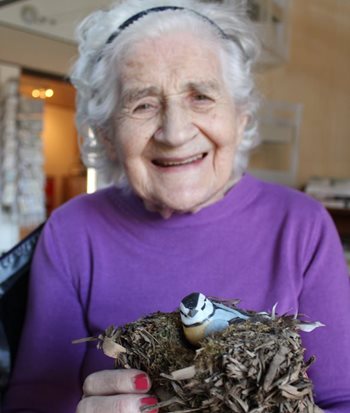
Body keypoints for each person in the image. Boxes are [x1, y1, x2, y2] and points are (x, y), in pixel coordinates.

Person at [3, 0, 350, 412]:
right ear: (108, 134)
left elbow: (341, 398)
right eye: (143, 104)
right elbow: (33, 399)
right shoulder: (73, 230)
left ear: (240, 117)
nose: (174, 132)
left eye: (201, 96)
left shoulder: (302, 225)